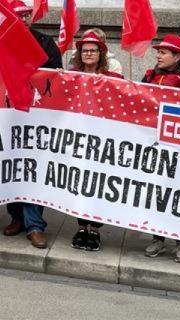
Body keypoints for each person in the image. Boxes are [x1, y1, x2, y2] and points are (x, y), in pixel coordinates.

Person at [6, 2, 62, 240]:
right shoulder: (3, 41)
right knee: (11, 166)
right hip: (8, 113)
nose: (24, 19)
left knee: (33, 166)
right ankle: (16, 217)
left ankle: (35, 225)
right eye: (19, 16)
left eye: (27, 15)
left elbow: (56, 72)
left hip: (38, 113)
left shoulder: (46, 42)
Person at [64, 31, 124, 251]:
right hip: (77, 139)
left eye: (93, 50)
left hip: (102, 139)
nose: (89, 54)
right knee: (79, 183)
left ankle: (95, 229)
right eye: (85, 51)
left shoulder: (113, 78)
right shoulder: (71, 75)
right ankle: (81, 227)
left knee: (98, 184)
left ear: (101, 53)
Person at [141, 34, 180, 263]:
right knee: (157, 192)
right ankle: (158, 238)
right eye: (158, 51)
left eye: (163, 52)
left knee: (179, 192)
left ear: (178, 56)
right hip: (154, 142)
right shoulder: (150, 75)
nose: (158, 55)